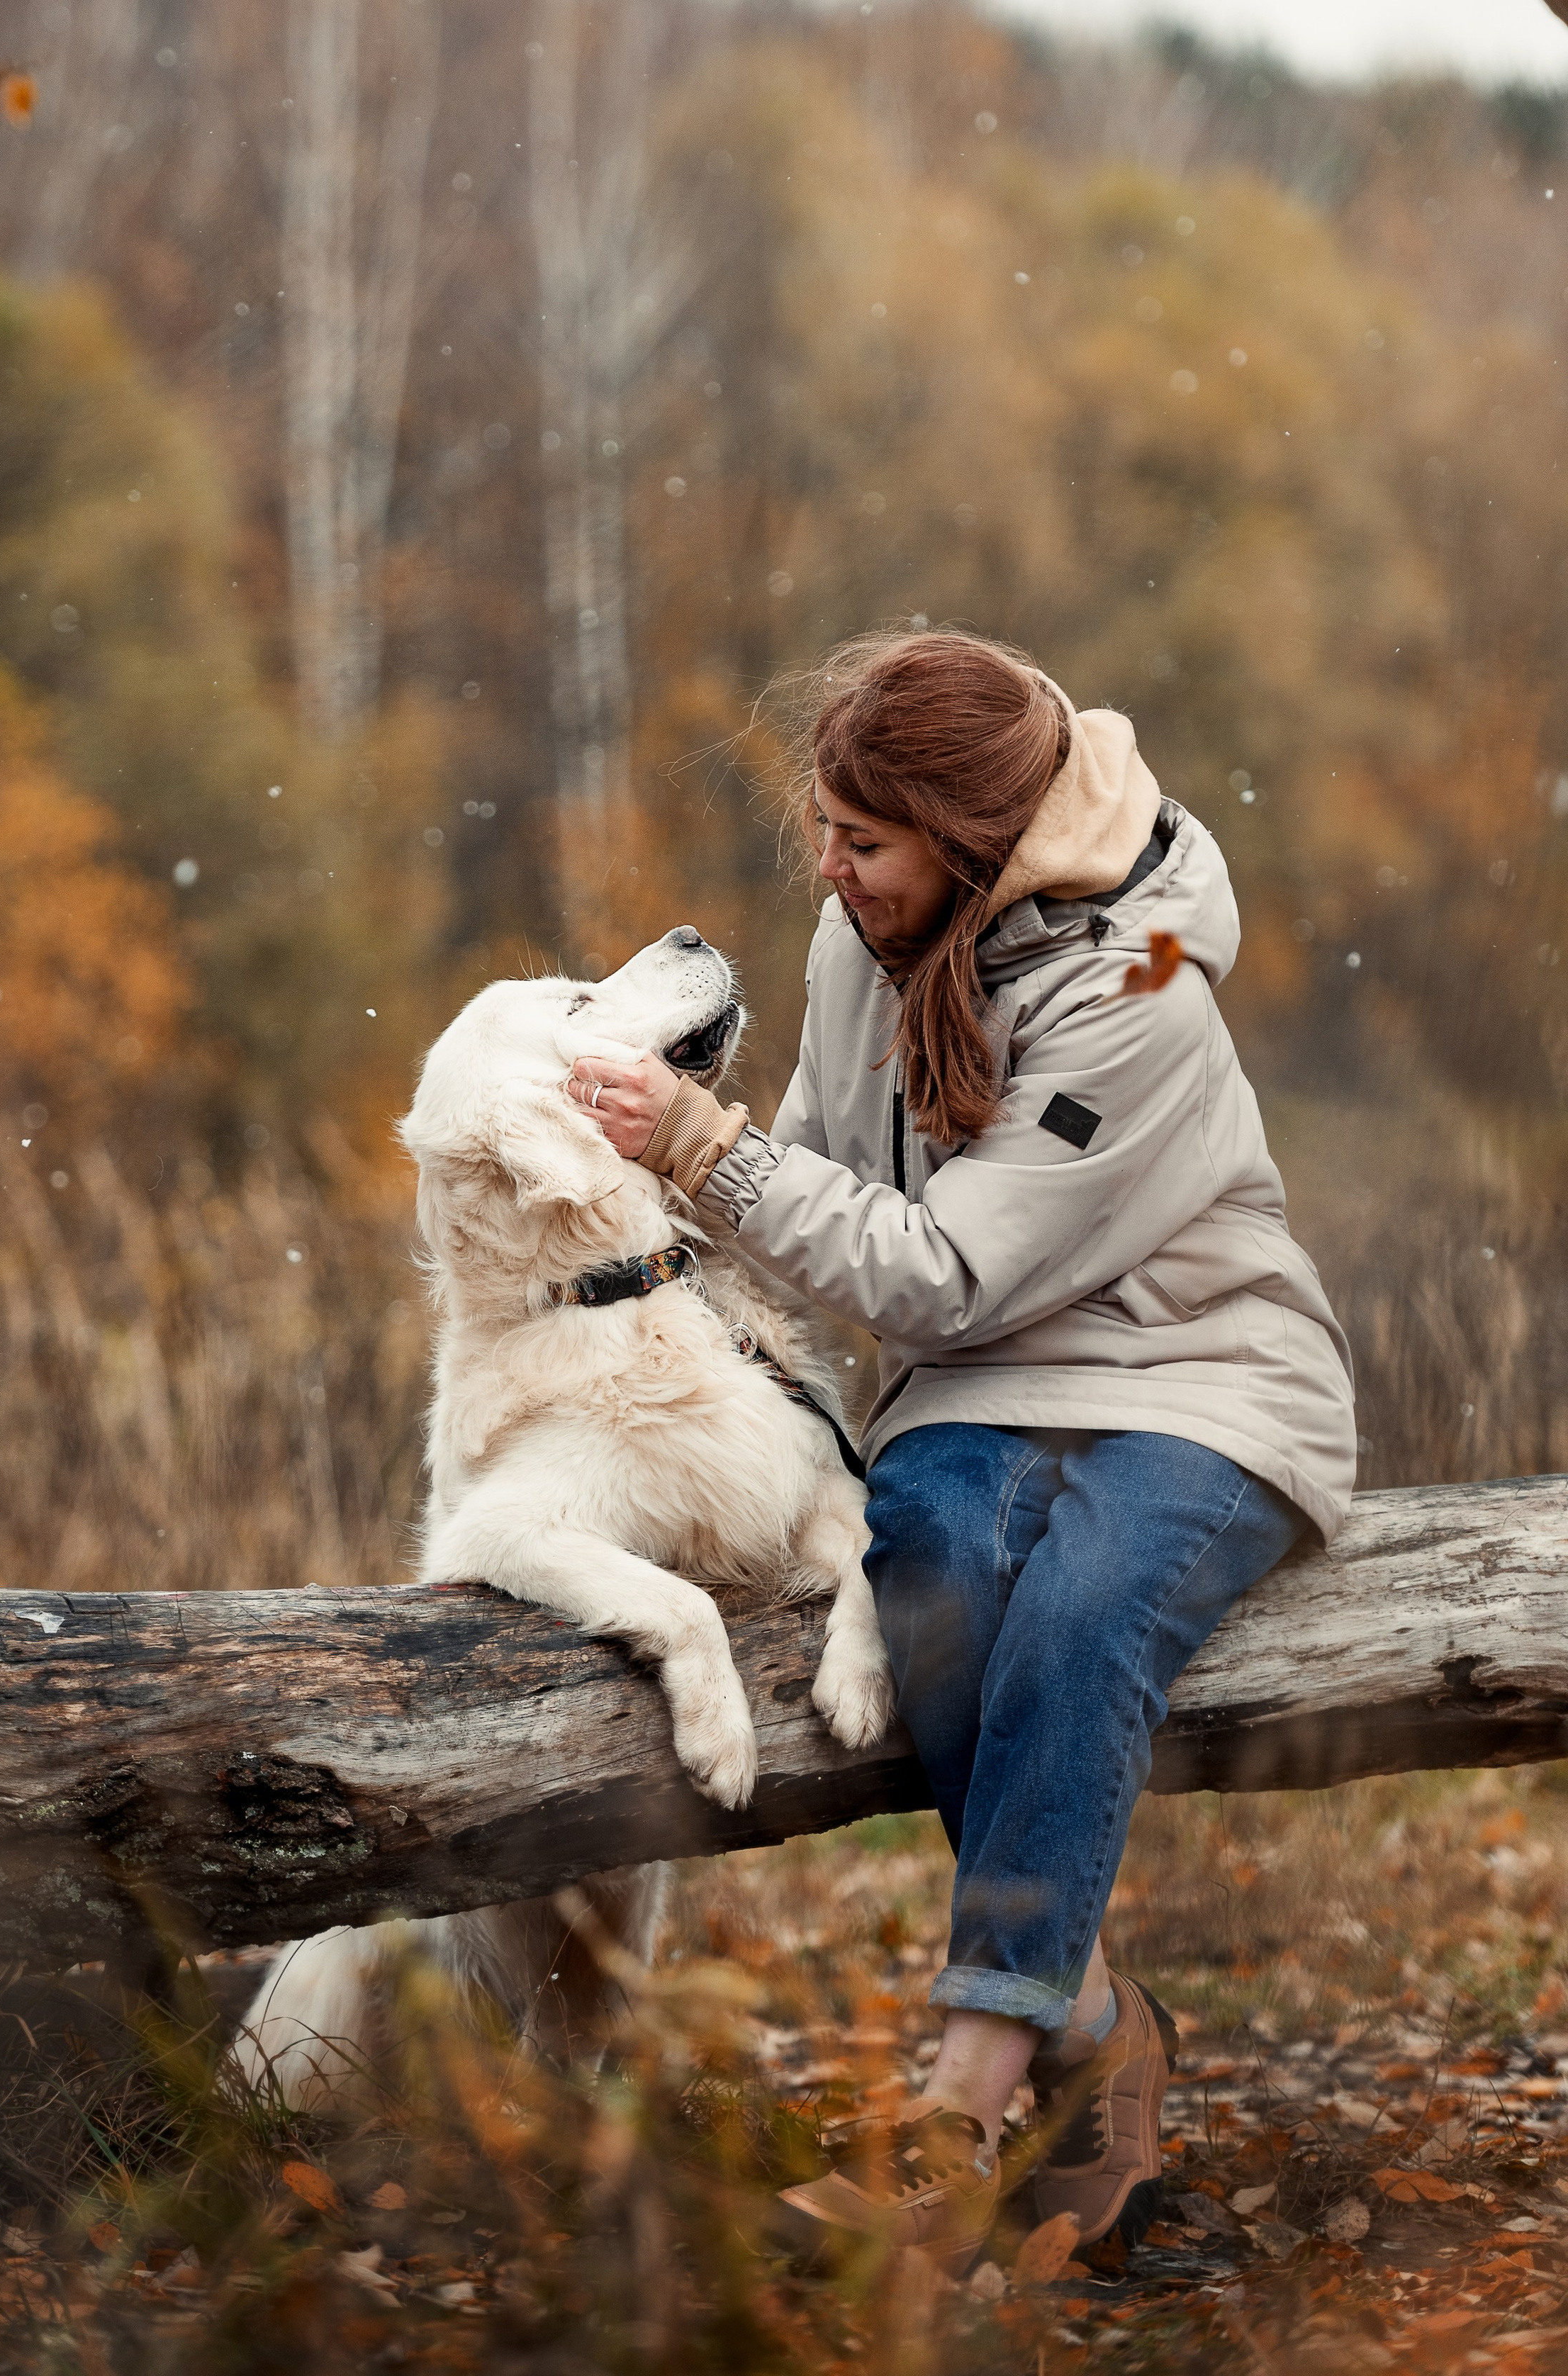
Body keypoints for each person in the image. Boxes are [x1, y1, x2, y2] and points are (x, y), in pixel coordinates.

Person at [563, 628, 1355, 2263]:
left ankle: (958, 2104)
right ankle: (1078, 2007)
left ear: (968, 842)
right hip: (971, 1383)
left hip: (1193, 1380)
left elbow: (944, 1263)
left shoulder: (1139, 983)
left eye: (863, 841)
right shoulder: (862, 935)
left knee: (1078, 1609)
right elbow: (830, 1187)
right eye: (826, 836)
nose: (831, 873)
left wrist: (711, 1151)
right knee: (919, 1566)